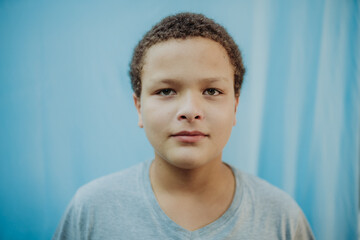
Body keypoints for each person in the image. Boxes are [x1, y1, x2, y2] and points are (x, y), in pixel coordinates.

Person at [53, 12, 315, 239]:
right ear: (139, 108)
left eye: (211, 91)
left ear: (235, 107)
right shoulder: (91, 210)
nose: (190, 111)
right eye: (166, 91)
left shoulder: (282, 217)